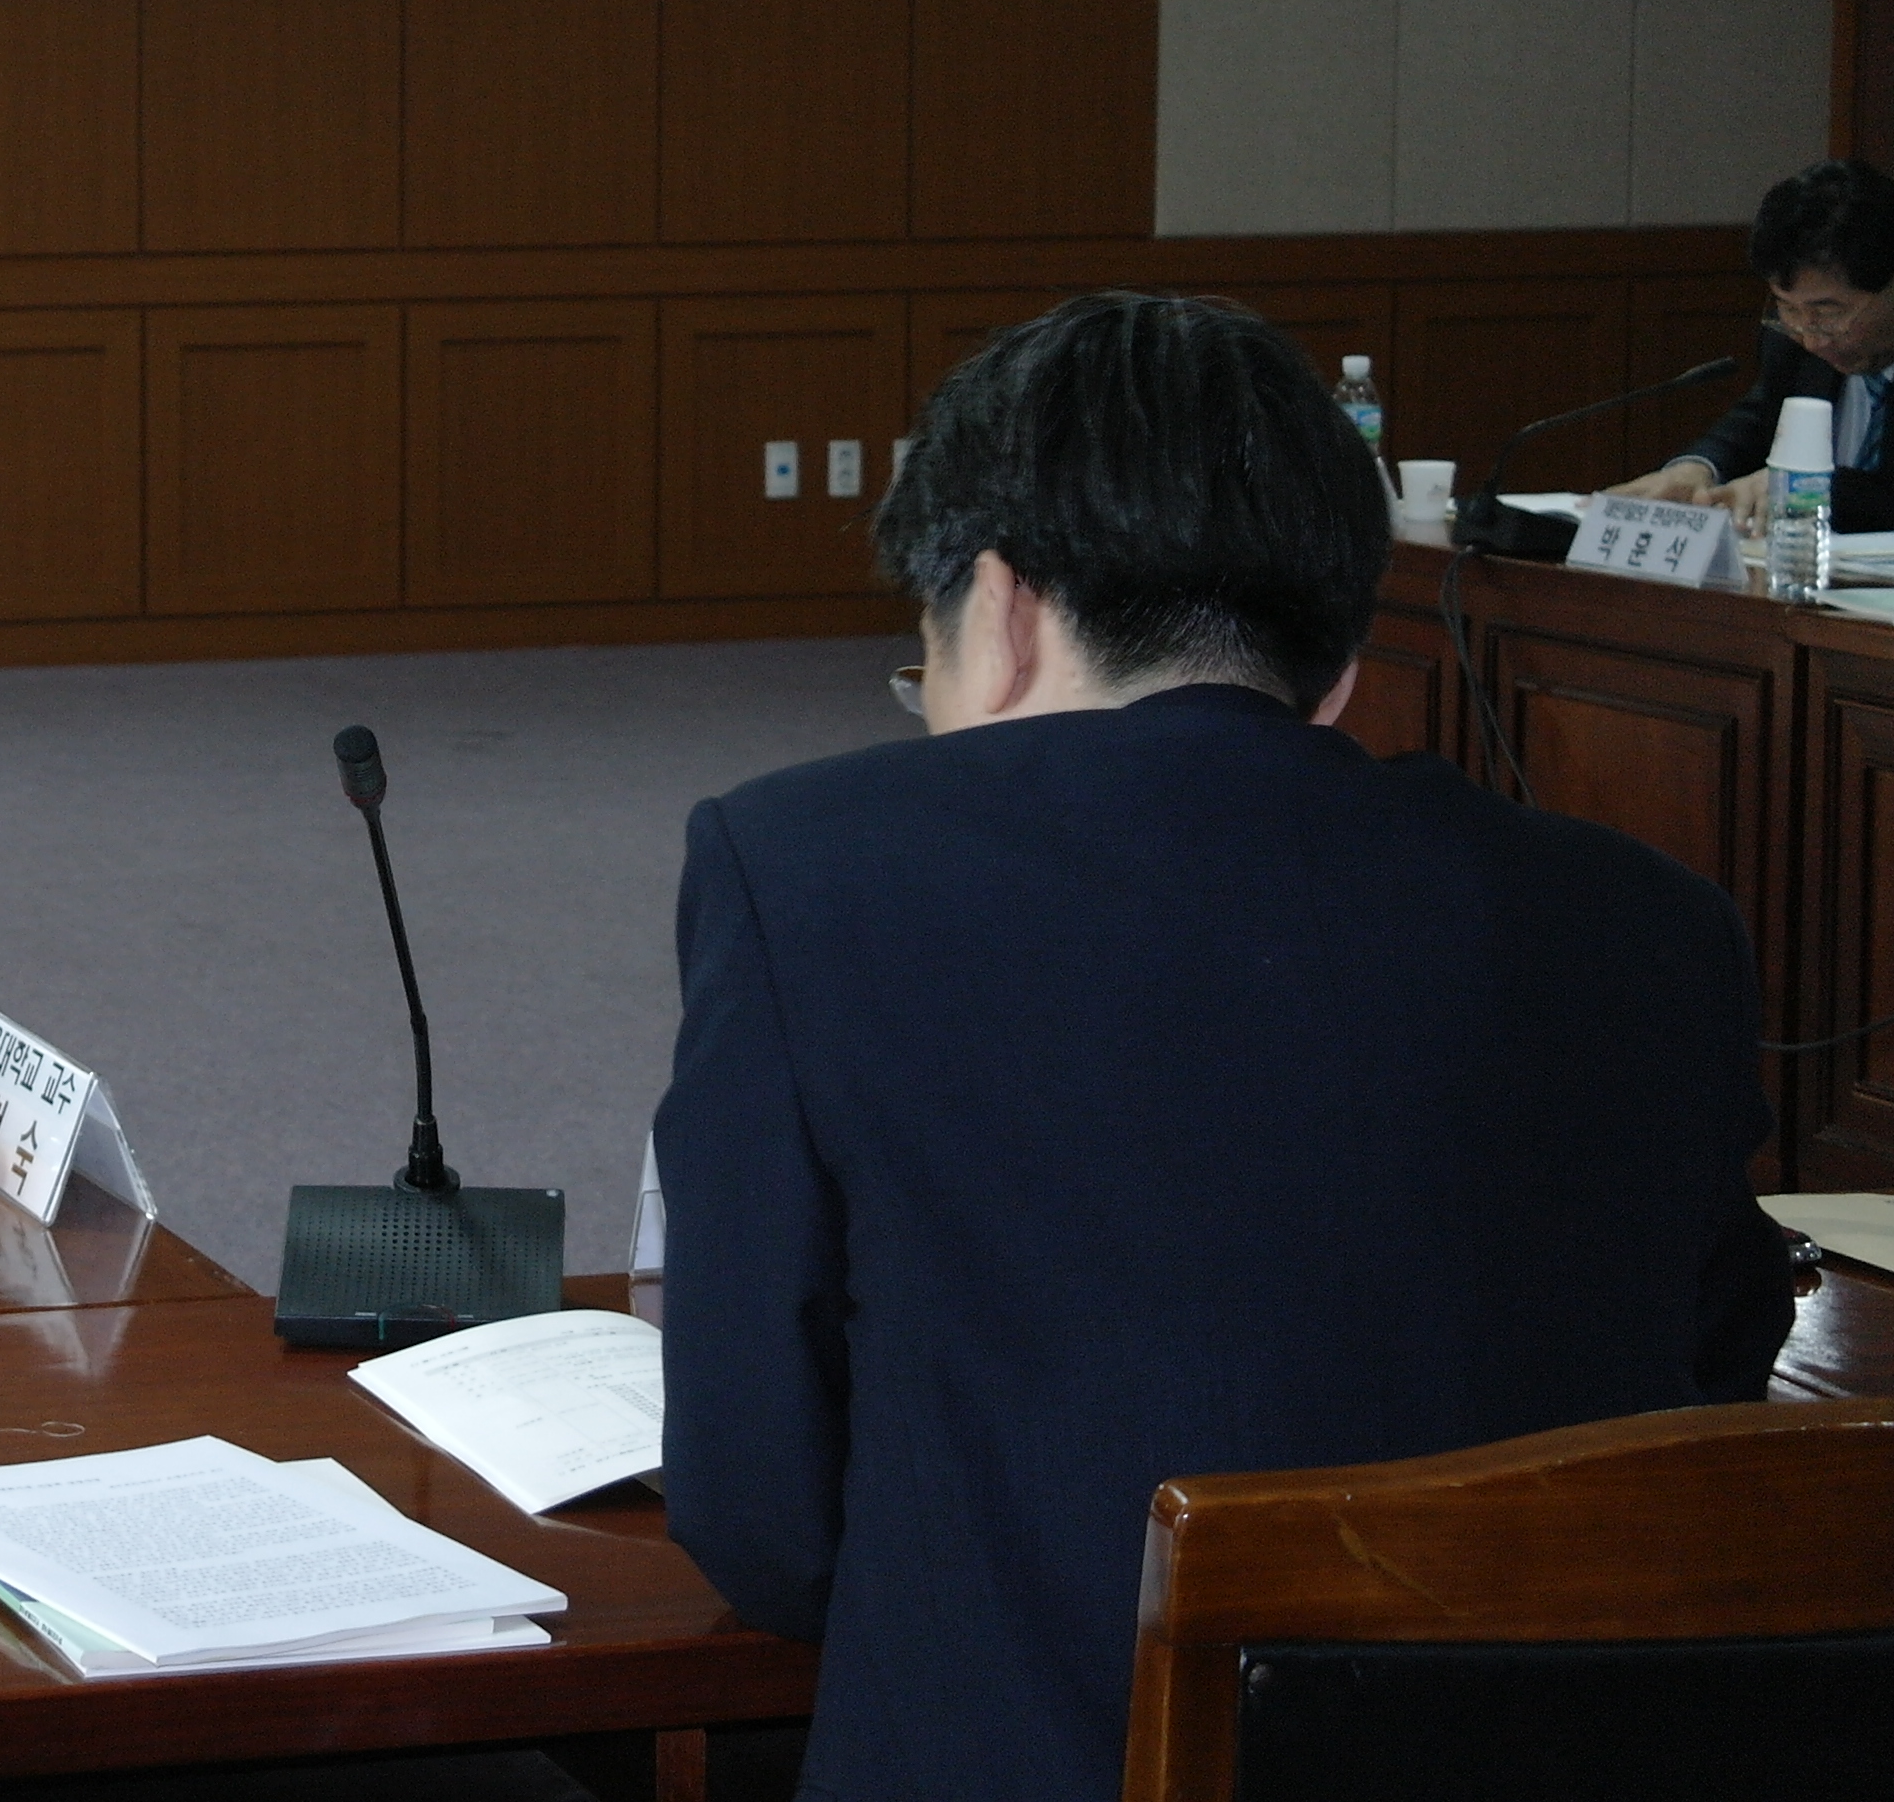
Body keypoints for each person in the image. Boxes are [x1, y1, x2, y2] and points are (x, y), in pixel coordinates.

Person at [654, 290, 1792, 1802]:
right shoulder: (1653, 921)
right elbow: (1703, 1393)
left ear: (999, 612)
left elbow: (763, 1519)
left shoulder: (804, 868)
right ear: (1335, 672)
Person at [1608, 157, 1894, 531]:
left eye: (1828, 312)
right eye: (1788, 308)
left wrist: (1807, 486)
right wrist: (1697, 468)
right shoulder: (1791, 343)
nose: (1811, 338)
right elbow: (1760, 419)